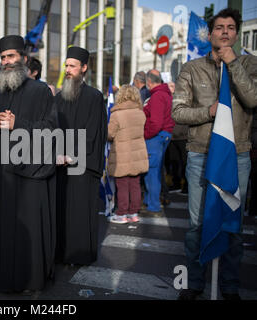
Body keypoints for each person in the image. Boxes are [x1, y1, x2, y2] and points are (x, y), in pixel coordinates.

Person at [172, 8, 257, 300]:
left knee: (232, 224)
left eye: (230, 27)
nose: (224, 32)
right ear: (209, 34)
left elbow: (252, 99)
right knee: (197, 224)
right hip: (200, 154)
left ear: (236, 33)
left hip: (237, 156)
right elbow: (178, 112)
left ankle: (230, 284)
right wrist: (208, 112)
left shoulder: (250, 64)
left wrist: (233, 65)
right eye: (218, 27)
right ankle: (195, 281)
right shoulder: (192, 68)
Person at [0, 35, 57, 293]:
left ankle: (28, 279)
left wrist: (17, 125)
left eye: (11, 56)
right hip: (1, 174)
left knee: (26, 233)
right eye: (3, 57)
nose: (6, 61)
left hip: (29, 175)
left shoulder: (41, 91)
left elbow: (51, 129)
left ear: (24, 59)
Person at [54, 46, 107, 265]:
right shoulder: (58, 98)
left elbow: (94, 131)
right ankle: (60, 253)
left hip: (82, 164)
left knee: (79, 211)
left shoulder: (94, 96)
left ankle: (80, 255)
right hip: (59, 164)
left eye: (72, 66)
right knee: (61, 210)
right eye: (66, 65)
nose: (67, 70)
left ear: (84, 68)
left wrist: (71, 155)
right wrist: (56, 152)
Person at [107, 85, 148, 224]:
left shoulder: (116, 114)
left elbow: (110, 134)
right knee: (135, 184)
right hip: (137, 153)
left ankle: (121, 213)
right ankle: (133, 213)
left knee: (122, 184)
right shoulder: (140, 112)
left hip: (122, 153)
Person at [142, 70, 175, 214]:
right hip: (164, 135)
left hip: (155, 137)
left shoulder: (157, 96)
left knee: (152, 173)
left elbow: (155, 122)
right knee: (155, 171)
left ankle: (153, 205)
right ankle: (150, 201)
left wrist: (145, 135)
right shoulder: (165, 94)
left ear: (149, 81)